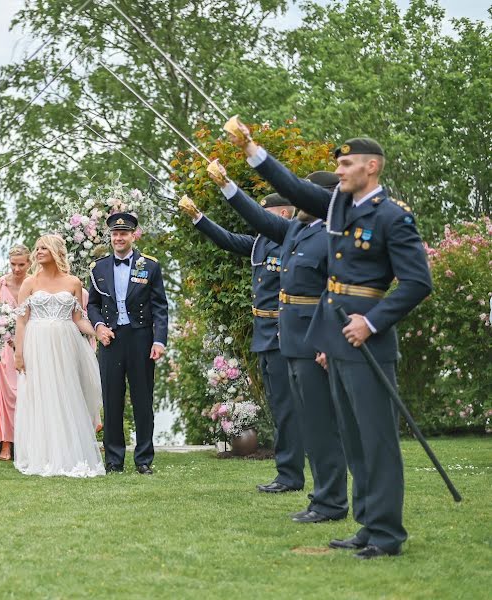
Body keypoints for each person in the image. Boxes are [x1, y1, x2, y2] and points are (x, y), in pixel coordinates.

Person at [231, 121, 432, 559]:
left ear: (371, 167)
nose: (339, 171)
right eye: (337, 165)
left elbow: (417, 283)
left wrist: (373, 322)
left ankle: (387, 533)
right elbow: (297, 192)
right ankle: (366, 523)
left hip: (368, 342)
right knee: (355, 439)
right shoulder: (340, 208)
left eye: (347, 164)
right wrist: (251, 150)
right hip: (336, 338)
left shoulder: (392, 216)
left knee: (377, 440)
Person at [201, 163, 348, 523]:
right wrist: (225, 189)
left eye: (305, 192)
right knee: (298, 414)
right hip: (284, 336)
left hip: (310, 338)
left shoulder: (332, 233)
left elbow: (339, 293)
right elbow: (254, 224)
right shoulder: (297, 231)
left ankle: (320, 491)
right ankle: (318, 492)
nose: (298, 198)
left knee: (315, 419)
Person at [181, 196, 305, 492]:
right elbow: (228, 240)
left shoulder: (292, 239)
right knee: (278, 406)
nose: (260, 217)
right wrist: (198, 216)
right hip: (263, 332)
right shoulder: (261, 242)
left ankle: (290, 475)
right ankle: (287, 471)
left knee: (287, 408)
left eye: (266, 212)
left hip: (281, 331)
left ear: (284, 213)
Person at [13, 234, 105, 477]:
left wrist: (97, 330)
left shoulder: (73, 282)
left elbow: (78, 319)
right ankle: (43, 455)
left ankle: (69, 452)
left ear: (56, 251)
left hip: (66, 344)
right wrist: (18, 353)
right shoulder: (30, 283)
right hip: (37, 343)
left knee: (66, 393)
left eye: (44, 247)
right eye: (37, 248)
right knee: (41, 395)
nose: (38, 251)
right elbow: (21, 322)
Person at [86, 213, 169, 475]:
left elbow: (160, 307)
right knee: (112, 401)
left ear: (134, 235)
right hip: (111, 340)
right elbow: (92, 305)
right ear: (110, 237)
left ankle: (143, 459)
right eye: (114, 234)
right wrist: (99, 327)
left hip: (141, 339)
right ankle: (114, 460)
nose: (119, 238)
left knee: (143, 400)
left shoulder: (150, 266)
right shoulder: (97, 268)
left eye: (124, 233)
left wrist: (159, 340)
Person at [0, 244, 30, 460]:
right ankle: (6, 444)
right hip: (4, 348)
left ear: (30, 263)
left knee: (27, 392)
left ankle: (29, 441)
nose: (17, 269)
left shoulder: (35, 283)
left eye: (21, 264)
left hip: (29, 344)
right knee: (7, 395)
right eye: (13, 264)